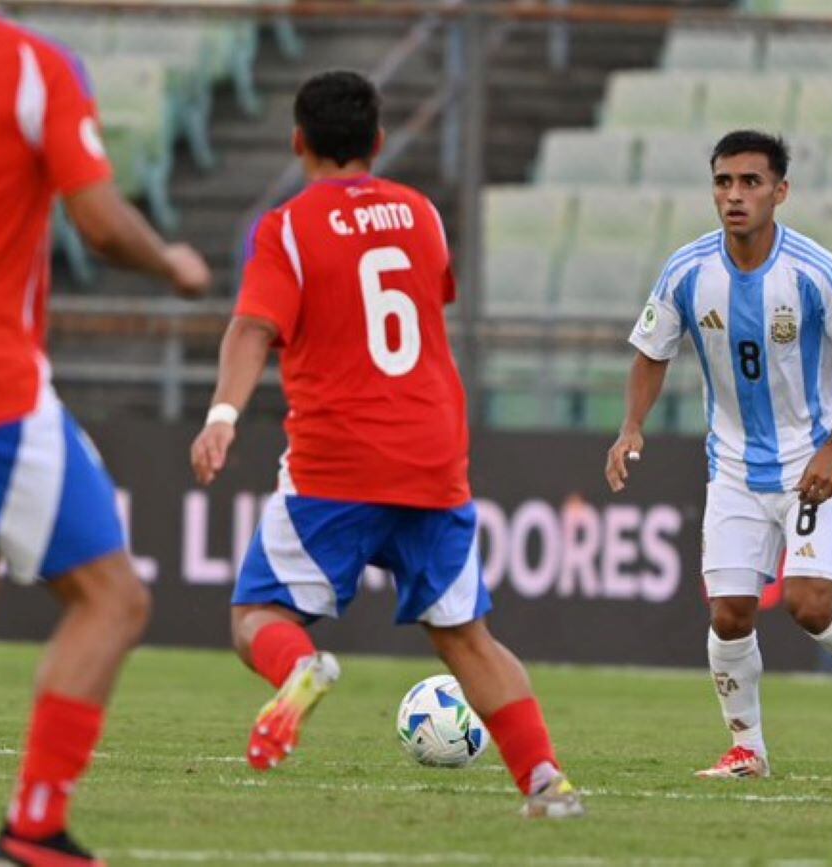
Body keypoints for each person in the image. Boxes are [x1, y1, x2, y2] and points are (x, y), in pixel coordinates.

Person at [189, 70, 583, 819]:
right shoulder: (422, 215)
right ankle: (545, 782)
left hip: (336, 458)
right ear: (377, 140)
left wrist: (222, 416)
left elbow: (253, 326)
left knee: (257, 617)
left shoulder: (287, 227)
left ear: (298, 140)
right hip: (433, 454)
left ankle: (300, 670)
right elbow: (423, 308)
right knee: (467, 638)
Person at [0, 2, 211, 865]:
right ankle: (35, 829)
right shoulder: (29, 63)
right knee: (114, 598)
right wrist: (171, 261)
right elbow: (100, 222)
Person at [605, 130, 832, 782]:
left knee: (808, 602)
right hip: (735, 469)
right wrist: (631, 425)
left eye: (751, 182)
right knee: (729, 611)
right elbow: (651, 352)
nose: (735, 195)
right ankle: (748, 747)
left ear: (781, 190)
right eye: (724, 182)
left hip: (811, 463)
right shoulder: (689, 269)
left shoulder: (813, 270)